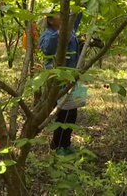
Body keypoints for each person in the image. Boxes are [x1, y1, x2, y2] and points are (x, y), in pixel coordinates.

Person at [38, 9, 83, 156]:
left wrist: (80, 2)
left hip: (70, 77)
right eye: (58, 14)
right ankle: (57, 146)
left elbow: (77, 14)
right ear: (50, 20)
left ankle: (66, 143)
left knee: (71, 113)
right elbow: (47, 50)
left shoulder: (70, 29)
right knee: (62, 113)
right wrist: (61, 34)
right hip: (57, 79)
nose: (63, 15)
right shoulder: (48, 35)